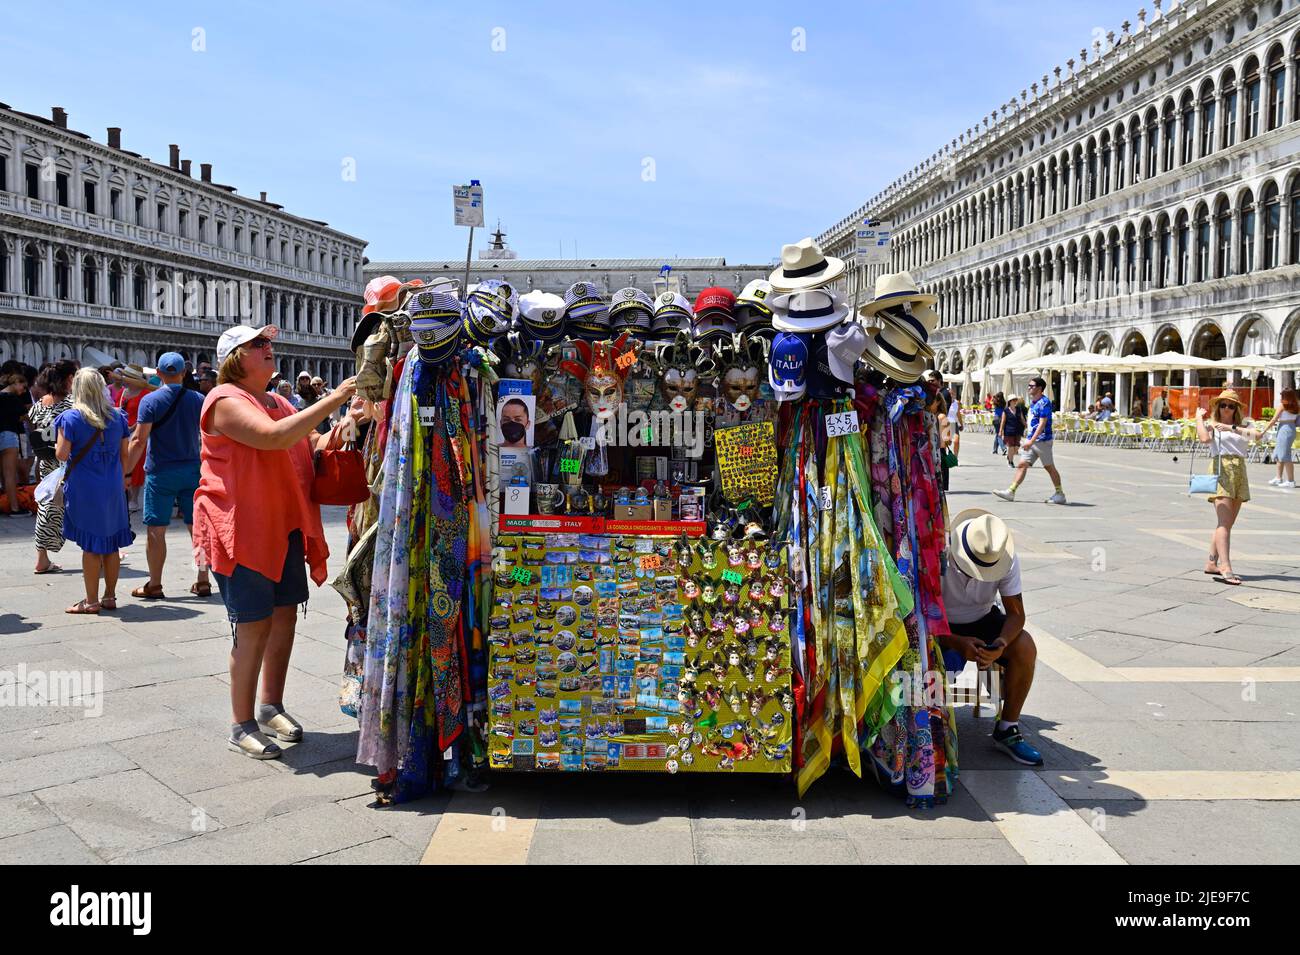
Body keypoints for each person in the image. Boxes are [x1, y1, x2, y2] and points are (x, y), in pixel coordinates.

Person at [193, 324, 363, 760]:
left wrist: (348, 423)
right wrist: (336, 397)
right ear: (235, 358)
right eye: (258, 345)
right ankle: (241, 724)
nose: (270, 349)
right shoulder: (224, 400)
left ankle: (270, 707)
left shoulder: (278, 401)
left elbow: (311, 445)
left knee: (284, 618)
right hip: (243, 529)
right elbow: (273, 438)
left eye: (269, 343)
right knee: (251, 627)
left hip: (284, 524)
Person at [937, 509, 1043, 766]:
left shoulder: (1003, 558)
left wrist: (1000, 644)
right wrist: (953, 641)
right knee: (936, 659)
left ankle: (1008, 727)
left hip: (983, 618)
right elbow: (916, 612)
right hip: (940, 622)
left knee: (1026, 646)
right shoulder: (938, 555)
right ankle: (929, 723)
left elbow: (1016, 614)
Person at [124, 352, 210, 600]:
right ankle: (202, 579)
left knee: (156, 530)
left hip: (160, 472)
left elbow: (139, 440)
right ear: (184, 373)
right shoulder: (198, 399)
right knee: (198, 529)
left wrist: (127, 470)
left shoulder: (150, 401)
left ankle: (156, 584)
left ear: (159, 374)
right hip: (193, 470)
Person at [53, 368, 135, 613]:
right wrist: (121, 479)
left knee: (91, 546)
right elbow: (124, 454)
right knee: (111, 544)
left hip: (84, 486)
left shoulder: (70, 418)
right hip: (112, 485)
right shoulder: (118, 417)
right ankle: (109, 597)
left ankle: (91, 601)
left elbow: (62, 454)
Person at [1197, 390, 1260, 586]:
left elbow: (1257, 436)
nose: (1226, 408)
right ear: (1218, 406)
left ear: (1236, 409)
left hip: (1239, 471)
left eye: (1231, 406)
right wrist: (1199, 417)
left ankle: (1211, 562)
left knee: (1228, 523)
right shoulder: (1213, 425)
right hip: (1221, 469)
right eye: (1223, 405)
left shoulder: (1245, 423)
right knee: (1223, 523)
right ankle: (1225, 566)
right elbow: (1204, 439)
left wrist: (1231, 428)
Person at [28, 360, 78, 571]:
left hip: (45, 461)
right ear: (69, 379)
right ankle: (99, 551)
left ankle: (42, 557)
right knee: (78, 506)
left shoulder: (40, 404)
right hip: (68, 461)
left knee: (46, 505)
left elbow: (32, 422)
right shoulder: (71, 404)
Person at [994, 376, 1066, 504]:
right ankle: (1011, 491)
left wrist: (1031, 441)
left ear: (1039, 388)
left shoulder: (1044, 402)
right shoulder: (1033, 402)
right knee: (1022, 464)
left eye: (1031, 386)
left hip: (1042, 441)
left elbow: (1042, 423)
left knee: (1049, 467)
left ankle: (1060, 493)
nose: (1029, 388)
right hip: (1032, 440)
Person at [0, 371, 30, 517]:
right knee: (10, 474)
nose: (23, 391)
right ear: (16, 382)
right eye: (22, 387)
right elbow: (24, 416)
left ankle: (4, 502)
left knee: (2, 474)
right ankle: (14, 508)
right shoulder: (12, 398)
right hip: (9, 435)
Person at [1261, 389, 1298, 489]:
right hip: (1291, 428)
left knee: (1285, 455)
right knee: (1280, 453)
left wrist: (1263, 431)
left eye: (1282, 396)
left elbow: (1273, 420)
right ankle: (1278, 478)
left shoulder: (1282, 405)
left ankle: (1290, 480)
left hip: (1284, 428)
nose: (1281, 397)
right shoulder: (1296, 405)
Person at [1000, 394, 1026, 466]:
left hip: (1018, 430)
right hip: (1009, 431)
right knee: (1011, 447)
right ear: (1010, 401)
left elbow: (1022, 419)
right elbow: (1003, 421)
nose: (1015, 401)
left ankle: (1009, 456)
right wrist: (1000, 431)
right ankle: (1011, 462)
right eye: (1014, 400)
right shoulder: (1006, 411)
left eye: (1016, 400)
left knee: (1017, 447)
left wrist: (1026, 425)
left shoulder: (1018, 409)